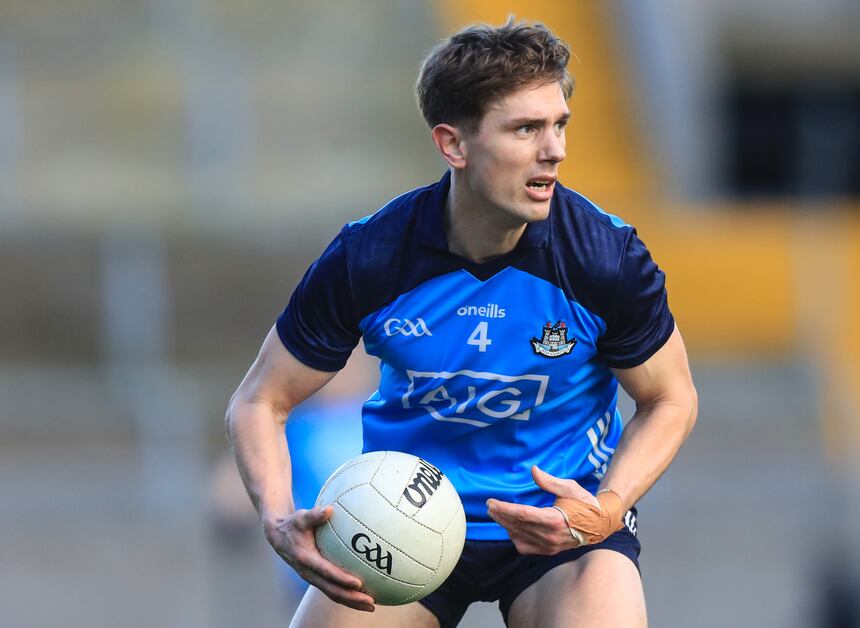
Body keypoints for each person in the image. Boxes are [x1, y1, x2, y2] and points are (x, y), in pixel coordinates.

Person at [226, 19, 698, 628]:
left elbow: (670, 398)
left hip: (561, 529)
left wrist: (606, 509)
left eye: (559, 125)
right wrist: (276, 514)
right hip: (401, 527)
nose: (554, 149)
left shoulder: (603, 258)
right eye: (526, 128)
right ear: (453, 145)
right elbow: (259, 401)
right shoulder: (371, 257)